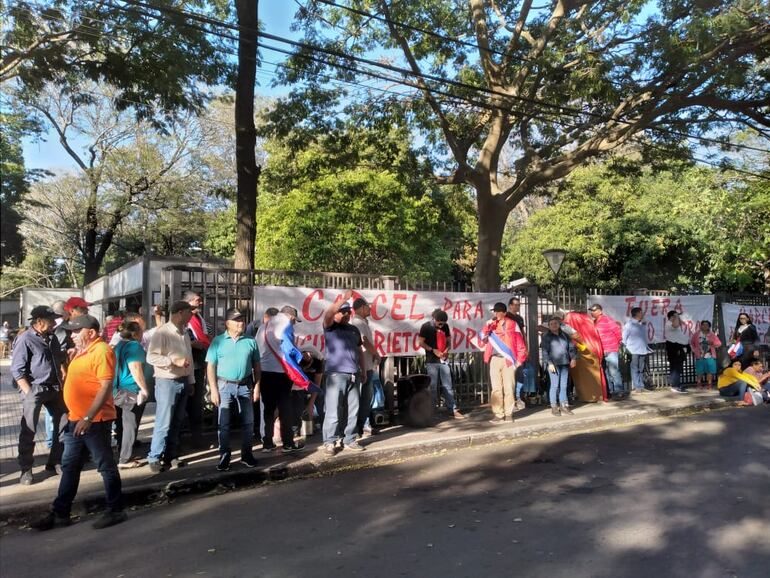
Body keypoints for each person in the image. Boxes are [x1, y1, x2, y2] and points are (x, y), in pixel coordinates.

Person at [31, 314, 126, 531]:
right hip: (77, 419)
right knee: (70, 466)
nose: (72, 335)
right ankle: (60, 512)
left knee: (105, 466)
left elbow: (104, 387)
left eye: (76, 331)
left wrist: (88, 417)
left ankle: (116, 510)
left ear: (91, 333)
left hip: (95, 421)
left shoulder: (102, 351)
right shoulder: (83, 351)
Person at [11, 305, 68, 485]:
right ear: (39, 321)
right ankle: (26, 469)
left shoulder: (52, 337)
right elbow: (17, 371)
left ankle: (55, 462)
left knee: (64, 423)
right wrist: (29, 394)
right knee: (29, 430)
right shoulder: (25, 339)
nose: (54, 323)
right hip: (35, 389)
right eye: (50, 320)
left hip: (54, 388)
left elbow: (59, 360)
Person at [206, 308, 261, 471]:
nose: (241, 323)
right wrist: (213, 390)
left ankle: (247, 454)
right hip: (224, 385)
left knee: (249, 423)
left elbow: (257, 367)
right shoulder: (218, 341)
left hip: (245, 385)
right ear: (227, 323)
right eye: (236, 320)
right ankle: (224, 456)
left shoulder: (251, 341)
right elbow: (210, 367)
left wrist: (257, 387)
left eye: (242, 319)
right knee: (223, 424)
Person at [146, 300, 195, 473]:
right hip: (167, 381)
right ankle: (154, 456)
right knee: (164, 421)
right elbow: (151, 357)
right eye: (190, 312)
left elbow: (188, 357)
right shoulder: (163, 332)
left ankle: (170, 454)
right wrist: (172, 361)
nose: (192, 315)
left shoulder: (184, 332)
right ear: (180, 312)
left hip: (181, 380)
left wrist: (191, 381)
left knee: (177, 421)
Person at [257, 306, 307, 453]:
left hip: (265, 372)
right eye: (294, 321)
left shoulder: (263, 327)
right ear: (290, 316)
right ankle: (288, 443)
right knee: (285, 408)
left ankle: (267, 442)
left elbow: (257, 350)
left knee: (268, 409)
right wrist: (302, 358)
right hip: (281, 373)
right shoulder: (285, 325)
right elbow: (290, 349)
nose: (294, 324)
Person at [322, 291, 366, 454]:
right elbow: (329, 313)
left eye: (349, 312)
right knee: (333, 410)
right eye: (343, 312)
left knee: (353, 410)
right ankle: (330, 442)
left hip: (354, 374)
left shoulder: (354, 329)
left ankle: (350, 439)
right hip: (336, 374)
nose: (347, 314)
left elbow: (359, 350)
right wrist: (344, 300)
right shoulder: (330, 326)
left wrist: (362, 369)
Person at [481, 302, 528, 423]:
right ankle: (498, 414)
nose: (496, 313)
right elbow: (483, 340)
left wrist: (518, 362)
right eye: (495, 311)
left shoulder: (513, 324)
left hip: (508, 360)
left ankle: (508, 413)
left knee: (509, 387)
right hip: (494, 359)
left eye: (498, 311)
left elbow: (520, 344)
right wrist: (487, 327)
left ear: (504, 313)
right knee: (496, 388)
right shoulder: (491, 324)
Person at [113, 321, 150, 469]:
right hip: (130, 390)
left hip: (118, 390)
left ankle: (124, 453)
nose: (143, 334)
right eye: (141, 331)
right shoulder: (134, 346)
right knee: (130, 425)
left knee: (122, 425)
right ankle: (125, 459)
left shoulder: (118, 345)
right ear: (135, 334)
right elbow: (135, 367)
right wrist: (144, 388)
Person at [417, 309, 465, 420]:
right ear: (434, 319)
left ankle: (452, 409)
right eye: (439, 323)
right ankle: (431, 411)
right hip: (432, 361)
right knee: (432, 387)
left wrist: (447, 350)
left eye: (443, 323)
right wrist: (432, 350)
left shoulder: (445, 327)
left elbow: (449, 341)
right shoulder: (426, 327)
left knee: (448, 385)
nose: (441, 325)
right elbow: (421, 342)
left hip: (444, 360)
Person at [351, 297, 387, 434]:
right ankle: (358, 427)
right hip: (363, 366)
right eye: (367, 306)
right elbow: (364, 342)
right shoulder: (357, 323)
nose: (370, 309)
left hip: (367, 365)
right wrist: (376, 354)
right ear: (361, 308)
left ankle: (363, 425)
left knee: (367, 397)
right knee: (361, 397)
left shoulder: (363, 322)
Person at [184, 291, 211, 449]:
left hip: (199, 365)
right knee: (187, 403)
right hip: (189, 365)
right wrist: (195, 343)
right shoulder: (186, 321)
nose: (200, 303)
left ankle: (197, 437)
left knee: (196, 403)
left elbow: (204, 338)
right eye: (197, 301)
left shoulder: (199, 319)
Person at [540, 316, 577, 416]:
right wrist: (549, 363)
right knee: (555, 385)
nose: (553, 325)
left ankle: (564, 405)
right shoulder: (546, 337)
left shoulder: (565, 335)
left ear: (559, 324)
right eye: (551, 324)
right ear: (549, 326)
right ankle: (554, 406)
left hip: (564, 364)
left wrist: (573, 358)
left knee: (564, 386)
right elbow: (544, 352)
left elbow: (572, 348)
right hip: (553, 365)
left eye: (555, 323)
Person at [589, 304, 624, 400]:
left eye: (594, 310)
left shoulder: (607, 319)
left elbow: (617, 330)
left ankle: (619, 391)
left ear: (600, 311)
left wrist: (617, 343)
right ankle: (610, 391)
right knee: (605, 372)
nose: (592, 312)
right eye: (591, 311)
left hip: (610, 349)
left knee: (613, 371)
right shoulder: (594, 322)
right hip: (600, 351)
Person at [622, 307, 651, 395]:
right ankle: (637, 387)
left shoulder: (641, 324)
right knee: (634, 368)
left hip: (642, 349)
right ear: (637, 314)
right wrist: (625, 348)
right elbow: (624, 338)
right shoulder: (629, 324)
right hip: (633, 350)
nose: (642, 314)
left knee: (641, 368)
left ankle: (641, 386)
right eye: (641, 313)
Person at [507, 296, 529, 411]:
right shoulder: (506, 317)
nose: (517, 307)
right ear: (510, 305)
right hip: (510, 350)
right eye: (515, 305)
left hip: (520, 350)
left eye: (518, 305)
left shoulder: (520, 318)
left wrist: (526, 347)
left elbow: (523, 333)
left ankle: (518, 397)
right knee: (510, 376)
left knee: (520, 374)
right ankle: (511, 399)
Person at [690, 320, 722, 390]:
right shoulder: (696, 334)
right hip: (700, 355)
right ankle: (699, 384)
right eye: (703, 325)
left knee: (710, 371)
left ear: (709, 326)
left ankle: (709, 384)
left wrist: (712, 343)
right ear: (700, 326)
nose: (705, 326)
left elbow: (719, 343)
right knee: (699, 371)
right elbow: (692, 343)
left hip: (710, 355)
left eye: (707, 325)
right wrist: (695, 350)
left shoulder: (712, 334)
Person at [665, 311, 691, 394]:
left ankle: (677, 385)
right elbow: (676, 325)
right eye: (675, 316)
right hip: (674, 347)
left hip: (679, 347)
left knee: (678, 367)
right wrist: (676, 315)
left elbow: (680, 323)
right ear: (672, 317)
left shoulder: (676, 323)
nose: (678, 318)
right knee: (676, 367)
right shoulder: (669, 323)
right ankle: (675, 386)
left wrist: (678, 316)